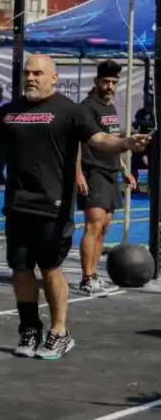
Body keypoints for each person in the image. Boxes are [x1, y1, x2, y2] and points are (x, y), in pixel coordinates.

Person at [0, 54, 151, 360]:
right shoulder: (10, 112)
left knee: (50, 269)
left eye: (38, 73)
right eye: (27, 72)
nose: (31, 77)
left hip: (53, 206)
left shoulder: (70, 110)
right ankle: (29, 328)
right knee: (21, 271)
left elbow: (100, 139)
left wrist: (126, 143)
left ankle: (59, 332)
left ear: (53, 78)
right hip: (18, 205)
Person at [75, 60, 135, 295]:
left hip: (110, 173)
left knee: (105, 228)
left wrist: (124, 169)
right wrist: (78, 173)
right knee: (94, 225)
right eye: (105, 81)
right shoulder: (87, 107)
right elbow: (77, 143)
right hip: (93, 171)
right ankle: (86, 277)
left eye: (113, 82)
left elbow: (111, 142)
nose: (109, 86)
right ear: (97, 81)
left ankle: (95, 275)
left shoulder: (110, 108)